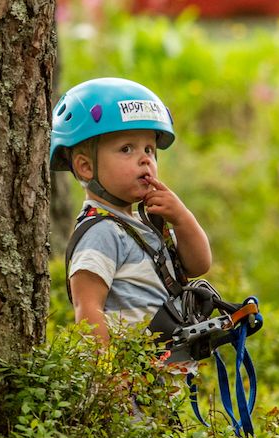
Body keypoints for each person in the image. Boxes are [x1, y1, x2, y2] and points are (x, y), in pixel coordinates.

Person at [50, 77, 211, 352]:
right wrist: (108, 378)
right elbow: (88, 309)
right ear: (86, 167)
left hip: (163, 384)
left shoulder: (142, 227)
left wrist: (182, 219)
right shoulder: (101, 232)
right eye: (127, 149)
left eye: (149, 149)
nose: (145, 158)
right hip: (130, 385)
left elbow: (198, 265)